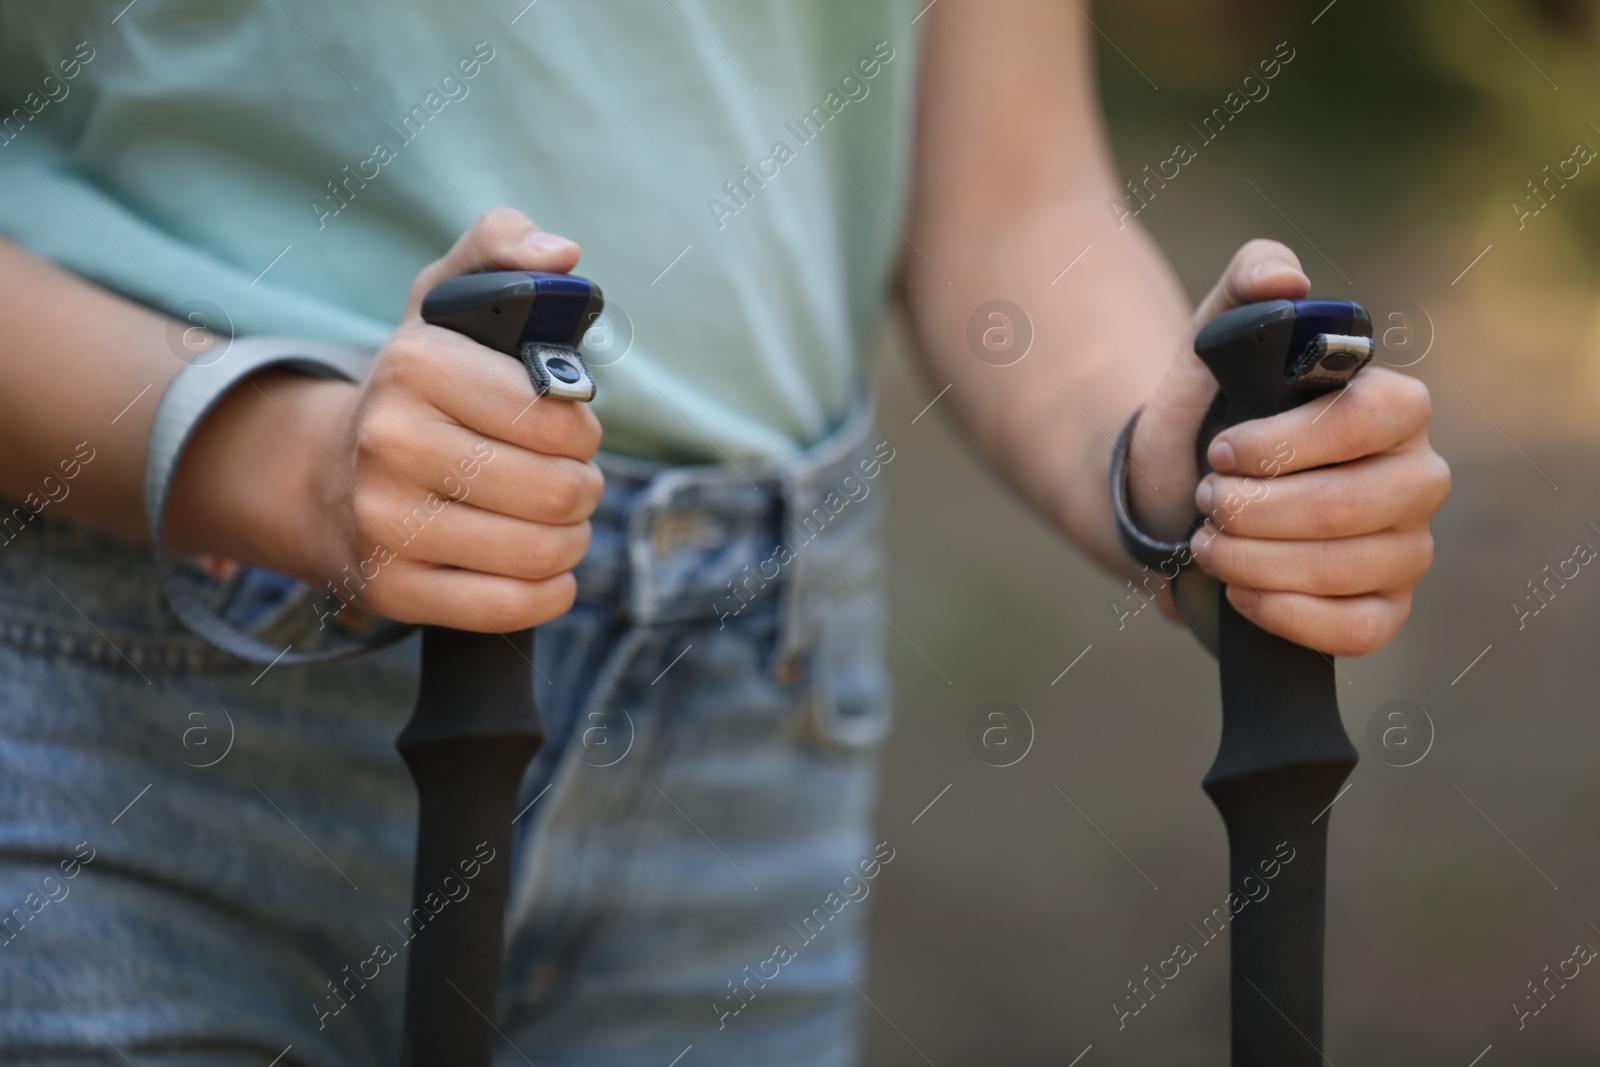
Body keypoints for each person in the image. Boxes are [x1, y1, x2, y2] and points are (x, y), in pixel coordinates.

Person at [0, 2, 1448, 1065]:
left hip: (745, 735)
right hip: (132, 712)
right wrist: (293, 466)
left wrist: (1196, 478)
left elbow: (1008, 199)